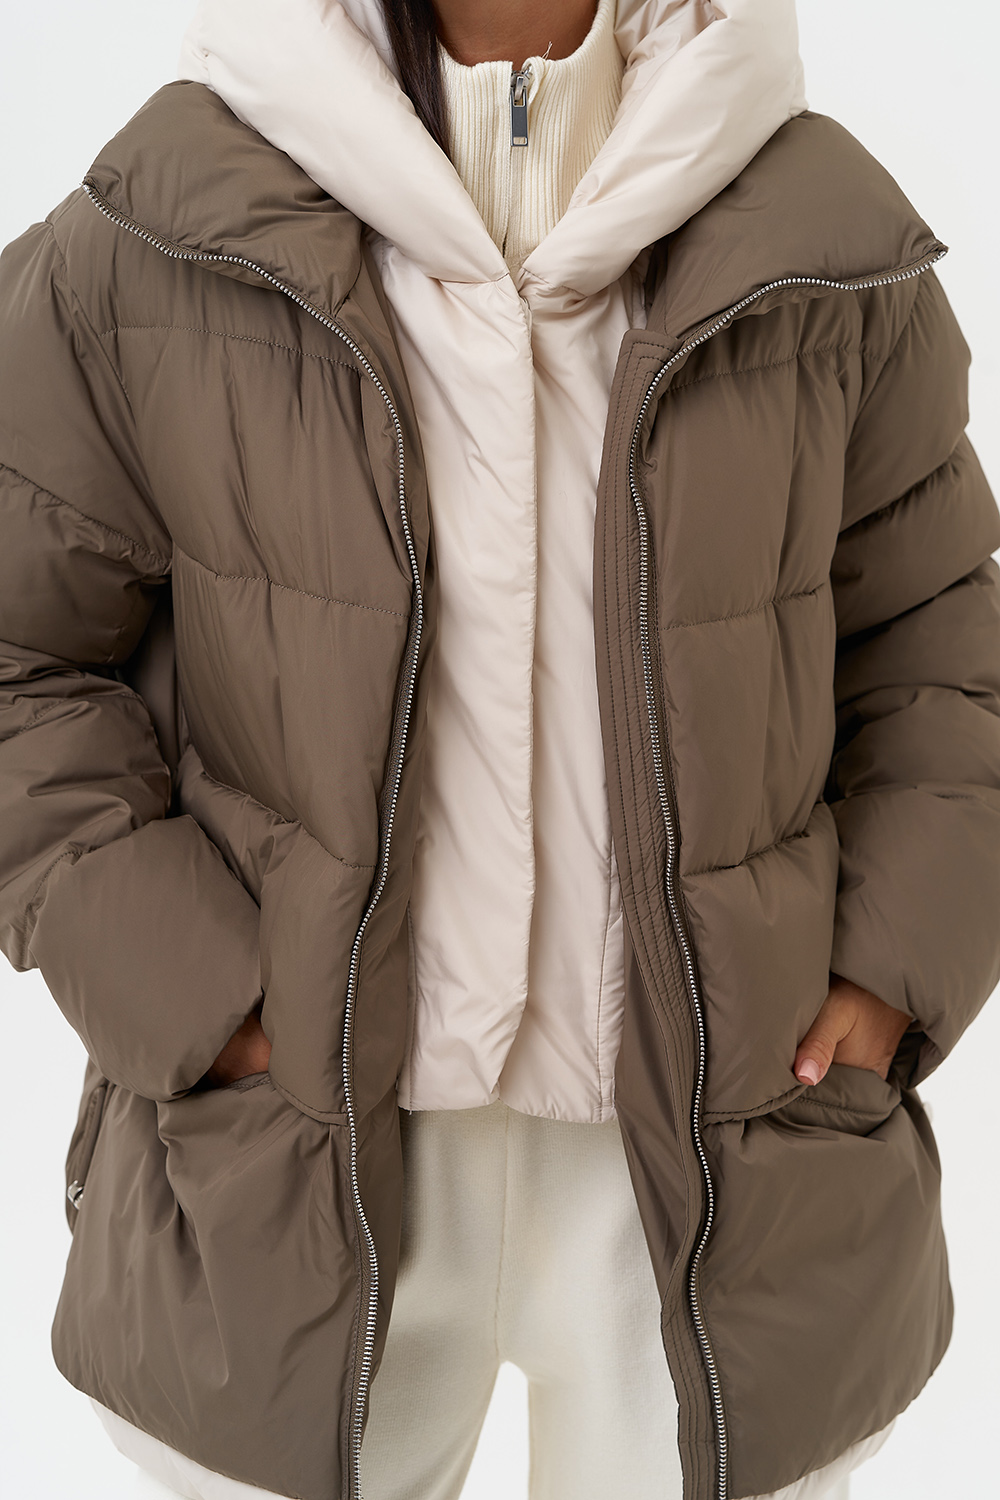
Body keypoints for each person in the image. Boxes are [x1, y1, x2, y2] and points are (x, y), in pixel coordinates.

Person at [1, 0, 998, 1497]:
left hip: (722, 1159)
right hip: (307, 1152)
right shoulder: (155, 234)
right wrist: (195, 994)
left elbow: (944, 648)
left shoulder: (818, 242)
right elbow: (20, 657)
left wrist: (891, 964)